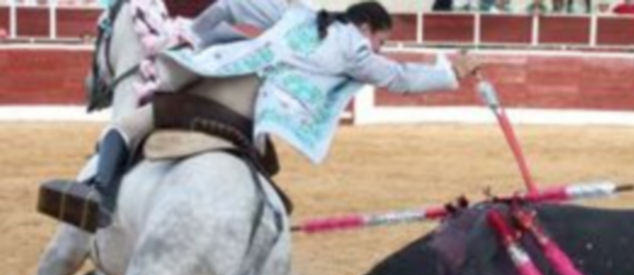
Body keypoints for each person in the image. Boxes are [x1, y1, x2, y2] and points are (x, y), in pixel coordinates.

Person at [63, 0, 480, 231]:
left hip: (220, 78)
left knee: (129, 123)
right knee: (263, 166)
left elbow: (228, 6)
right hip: (256, 115)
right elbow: (399, 78)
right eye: (381, 42)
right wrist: (449, 75)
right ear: (366, 27)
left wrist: (197, 34)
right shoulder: (353, 47)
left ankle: (98, 194)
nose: (379, 51)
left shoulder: (297, 14)